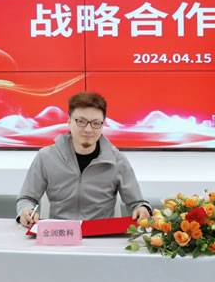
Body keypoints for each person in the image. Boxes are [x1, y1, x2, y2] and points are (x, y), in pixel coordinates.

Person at [16, 92, 151, 228]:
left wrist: (141, 209)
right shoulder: (46, 157)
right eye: (81, 121)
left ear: (102, 125)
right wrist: (26, 210)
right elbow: (27, 198)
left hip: (101, 235)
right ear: (69, 121)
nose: (88, 129)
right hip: (60, 234)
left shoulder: (117, 160)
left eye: (96, 123)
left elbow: (137, 203)